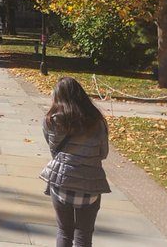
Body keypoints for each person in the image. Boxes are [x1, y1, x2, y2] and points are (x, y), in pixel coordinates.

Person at [40, 77, 110, 247]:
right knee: (84, 235)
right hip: (90, 184)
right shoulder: (98, 122)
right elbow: (103, 153)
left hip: (62, 181)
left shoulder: (51, 120)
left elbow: (53, 150)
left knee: (64, 231)